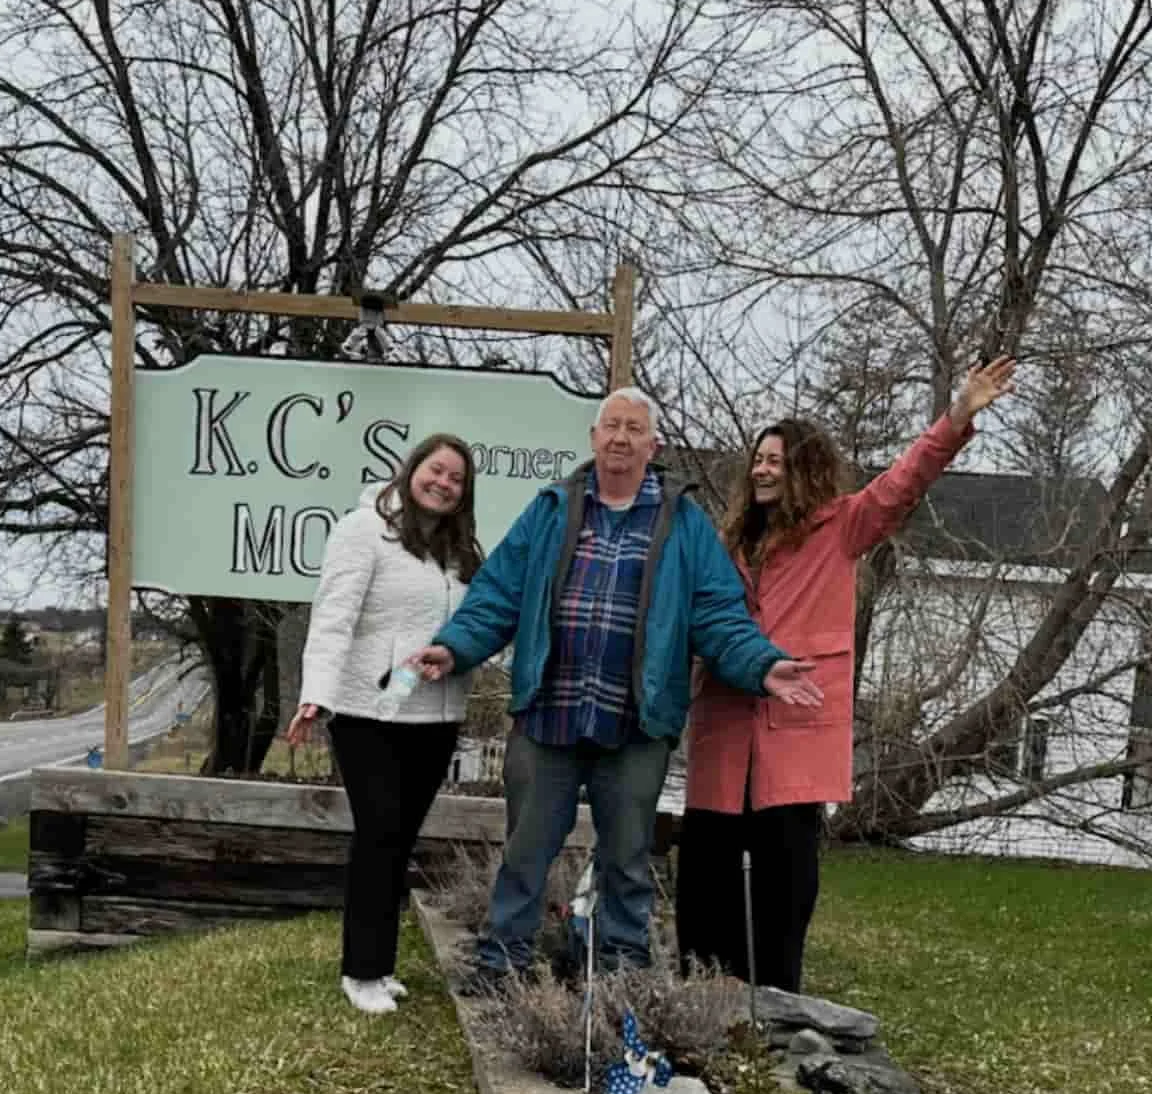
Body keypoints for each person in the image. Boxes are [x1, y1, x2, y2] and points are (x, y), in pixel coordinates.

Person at [410, 389, 825, 982]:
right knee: (526, 855)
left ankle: (621, 976)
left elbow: (719, 616)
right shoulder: (551, 510)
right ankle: (503, 964)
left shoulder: (685, 524)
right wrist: (454, 646)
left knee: (627, 861)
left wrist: (762, 664)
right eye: (612, 426)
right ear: (594, 438)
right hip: (548, 717)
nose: (622, 437)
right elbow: (497, 593)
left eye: (635, 428)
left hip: (637, 725)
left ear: (653, 445)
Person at [678, 356, 1017, 993]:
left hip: (794, 743)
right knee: (704, 891)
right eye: (758, 458)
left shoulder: (839, 530)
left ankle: (777, 1015)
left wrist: (956, 418)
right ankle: (695, 1004)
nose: (763, 469)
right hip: (722, 737)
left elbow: (902, 485)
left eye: (777, 460)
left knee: (783, 898)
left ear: (804, 470)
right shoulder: (723, 545)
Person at [289, 434, 482, 1015]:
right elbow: (333, 618)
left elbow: (485, 621)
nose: (443, 483)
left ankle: (383, 964)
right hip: (369, 712)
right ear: (412, 469)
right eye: (436, 470)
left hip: (435, 714)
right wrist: (315, 696)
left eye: (456, 479)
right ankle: (361, 971)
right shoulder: (362, 530)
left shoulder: (463, 552)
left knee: (399, 840)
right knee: (378, 833)